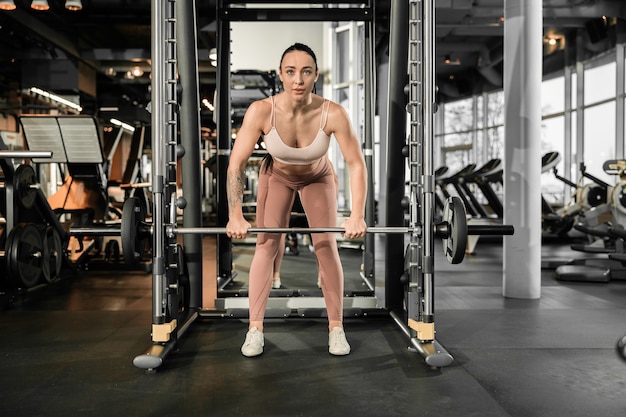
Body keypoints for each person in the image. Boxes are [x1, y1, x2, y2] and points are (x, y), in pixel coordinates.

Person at [226, 42, 367, 357]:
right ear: (281, 75)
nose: (298, 80)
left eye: (306, 72)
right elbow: (235, 165)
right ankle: (255, 329)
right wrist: (235, 213)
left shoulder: (334, 113)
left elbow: (357, 164)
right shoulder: (262, 111)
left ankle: (336, 328)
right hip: (276, 176)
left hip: (318, 177)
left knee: (326, 245)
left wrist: (357, 214)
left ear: (316, 75)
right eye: (291, 72)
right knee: (266, 244)